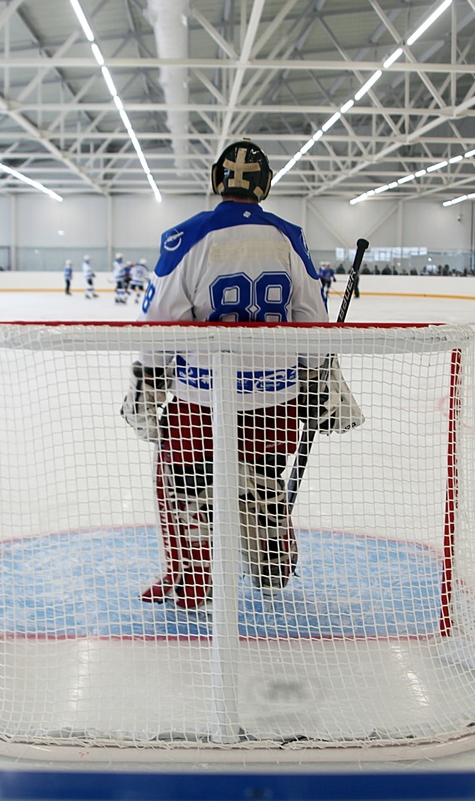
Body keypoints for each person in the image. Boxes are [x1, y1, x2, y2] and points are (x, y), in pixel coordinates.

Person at [120, 138, 359, 610]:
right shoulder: (289, 235)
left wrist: (148, 386)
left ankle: (192, 583)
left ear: (216, 180)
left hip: (199, 397)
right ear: (265, 185)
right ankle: (272, 562)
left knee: (182, 484)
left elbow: (160, 324)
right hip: (276, 399)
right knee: (264, 482)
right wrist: (316, 383)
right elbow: (313, 320)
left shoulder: (184, 236)